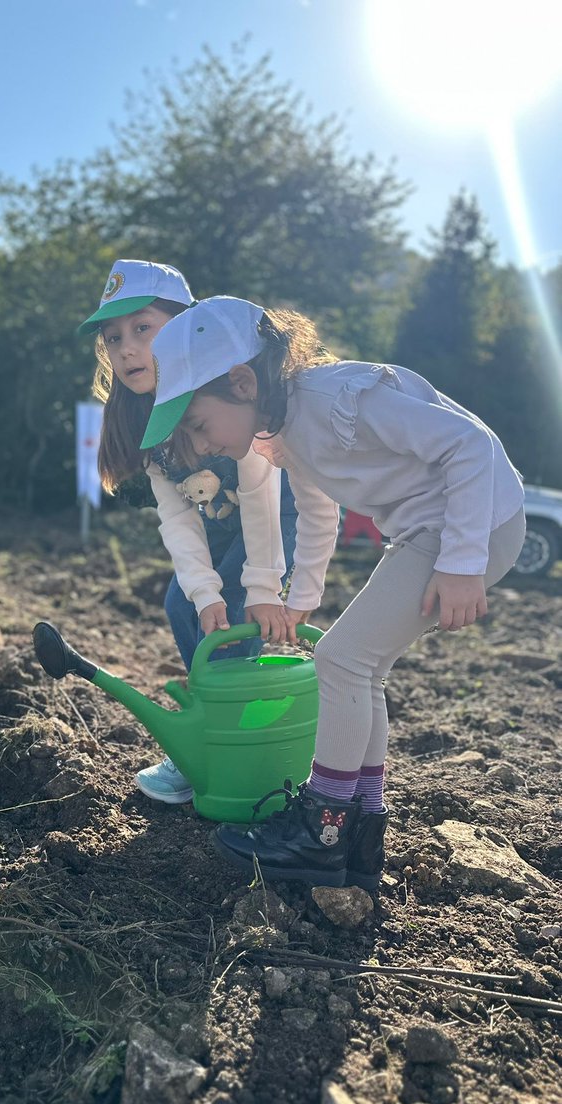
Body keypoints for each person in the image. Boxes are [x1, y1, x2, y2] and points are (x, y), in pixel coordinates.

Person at [139, 296, 525, 889]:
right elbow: (322, 509)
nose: (202, 442)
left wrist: (463, 561)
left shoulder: (333, 399)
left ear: (242, 383)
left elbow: (468, 445)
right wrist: (303, 595)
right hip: (432, 529)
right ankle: (361, 828)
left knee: (341, 661)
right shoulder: (284, 433)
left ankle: (320, 830)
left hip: (469, 523)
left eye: (197, 423)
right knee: (359, 669)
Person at [78, 261, 300, 805]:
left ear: (184, 326)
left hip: (273, 521)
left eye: (142, 329)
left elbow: (262, 497)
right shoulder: (145, 427)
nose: (126, 348)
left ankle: (225, 744)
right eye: (114, 338)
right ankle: (222, 732)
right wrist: (201, 591)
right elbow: (177, 518)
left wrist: (263, 585)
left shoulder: (220, 391)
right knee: (184, 604)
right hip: (219, 533)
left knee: (238, 611)